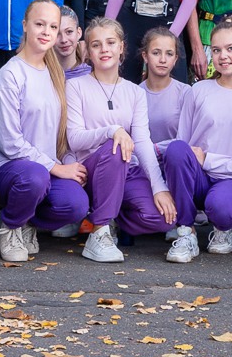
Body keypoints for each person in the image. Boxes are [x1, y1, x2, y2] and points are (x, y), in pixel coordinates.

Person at [60, 18, 177, 260]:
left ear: (121, 47)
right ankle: (99, 232)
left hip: (125, 169)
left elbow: (143, 142)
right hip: (90, 169)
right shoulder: (75, 87)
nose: (104, 49)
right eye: (96, 44)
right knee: (115, 148)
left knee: (160, 219)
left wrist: (159, 187)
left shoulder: (135, 92)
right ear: (87, 50)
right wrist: (112, 131)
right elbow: (74, 139)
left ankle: (110, 216)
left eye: (111, 42)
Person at [161, 17, 232, 261]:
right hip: (197, 177)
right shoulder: (198, 91)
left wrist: (208, 159)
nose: (223, 56)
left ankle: (224, 230)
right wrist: (197, 161)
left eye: (230, 49)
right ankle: (186, 231)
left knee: (222, 209)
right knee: (176, 150)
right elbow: (181, 145)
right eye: (217, 50)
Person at [0, 0, 67, 263]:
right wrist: (56, 167)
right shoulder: (10, 75)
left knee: (75, 203)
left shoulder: (55, 73)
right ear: (25, 26)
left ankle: (28, 221)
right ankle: (10, 227)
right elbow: (9, 143)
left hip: (43, 171)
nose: (46, 32)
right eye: (39, 24)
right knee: (35, 177)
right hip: (8, 170)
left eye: (52, 27)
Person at [140, 29, 187, 147]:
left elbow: (187, 138)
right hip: (142, 162)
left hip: (175, 161)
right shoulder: (135, 93)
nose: (163, 60)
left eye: (169, 54)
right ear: (145, 56)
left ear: (175, 59)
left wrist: (157, 150)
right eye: (156, 53)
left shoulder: (185, 93)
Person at [54, 4, 88, 78]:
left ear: (79, 33)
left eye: (69, 32)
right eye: (57, 34)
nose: (63, 40)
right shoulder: (41, 74)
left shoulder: (91, 76)